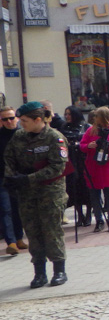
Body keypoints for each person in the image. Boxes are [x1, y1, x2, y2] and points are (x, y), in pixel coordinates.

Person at [4, 102, 69, 288]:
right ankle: (39, 272)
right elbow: (9, 158)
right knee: (32, 231)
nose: (20, 123)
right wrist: (11, 178)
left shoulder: (54, 138)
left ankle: (59, 270)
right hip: (26, 193)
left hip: (50, 192)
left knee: (52, 230)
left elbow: (58, 167)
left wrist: (29, 178)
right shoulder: (19, 137)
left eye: (24, 120)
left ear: (37, 120)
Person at [79, 107, 109, 233]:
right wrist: (88, 145)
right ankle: (99, 221)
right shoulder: (91, 130)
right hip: (93, 167)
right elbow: (82, 146)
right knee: (95, 196)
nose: (95, 119)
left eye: (97, 116)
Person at [0, 106, 26, 254]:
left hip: (19, 178)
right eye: (5, 119)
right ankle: (11, 242)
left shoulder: (23, 135)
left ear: (16, 118)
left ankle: (19, 238)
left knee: (18, 209)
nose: (9, 121)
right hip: (2, 178)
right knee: (6, 209)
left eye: (11, 117)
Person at [60, 106, 92, 226]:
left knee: (86, 188)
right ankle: (80, 215)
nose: (67, 116)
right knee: (73, 189)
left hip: (83, 161)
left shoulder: (85, 126)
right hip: (70, 161)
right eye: (66, 114)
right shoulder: (64, 127)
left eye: (69, 114)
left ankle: (89, 213)